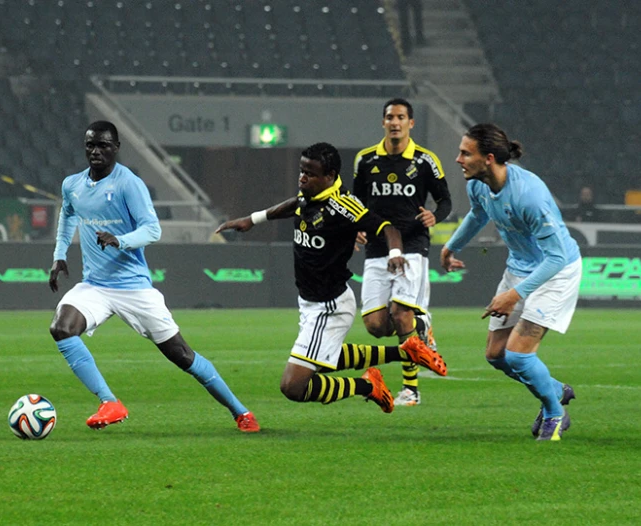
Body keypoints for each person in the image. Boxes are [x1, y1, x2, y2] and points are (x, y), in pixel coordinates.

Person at [48, 120, 259, 433]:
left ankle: (241, 412)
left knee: (183, 356)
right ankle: (109, 402)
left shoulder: (128, 184)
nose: (96, 151)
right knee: (62, 328)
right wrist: (59, 255)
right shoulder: (73, 184)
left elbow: (152, 229)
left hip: (133, 289)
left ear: (116, 148)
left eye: (103, 145)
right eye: (91, 145)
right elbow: (67, 215)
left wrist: (121, 240)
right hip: (94, 286)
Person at [215, 142, 446, 414]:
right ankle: (407, 351)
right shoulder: (309, 195)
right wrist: (253, 219)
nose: (302, 178)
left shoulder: (343, 206)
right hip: (311, 302)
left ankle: (368, 386)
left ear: (330, 176)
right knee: (325, 360)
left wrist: (395, 252)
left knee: (293, 386)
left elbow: (387, 227)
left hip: (329, 306)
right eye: (302, 171)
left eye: (310, 174)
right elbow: (294, 205)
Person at [440, 123, 580, 441]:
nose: (458, 159)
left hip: (556, 272)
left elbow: (556, 257)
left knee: (518, 355)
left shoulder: (530, 196)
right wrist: (451, 246)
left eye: (465, 153)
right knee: (496, 355)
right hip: (520, 268)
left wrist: (514, 295)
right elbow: (478, 214)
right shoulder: (478, 184)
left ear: (488, 158)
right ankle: (555, 389)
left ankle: (554, 413)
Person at [353, 98, 452, 407]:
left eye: (400, 117)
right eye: (389, 117)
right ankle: (424, 326)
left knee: (401, 313)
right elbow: (356, 202)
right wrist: (354, 225)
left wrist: (437, 215)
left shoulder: (425, 160)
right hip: (376, 247)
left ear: (411, 123)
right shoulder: (365, 160)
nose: (394, 122)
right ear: (383, 122)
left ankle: (411, 389)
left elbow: (445, 200)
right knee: (376, 326)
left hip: (412, 244)